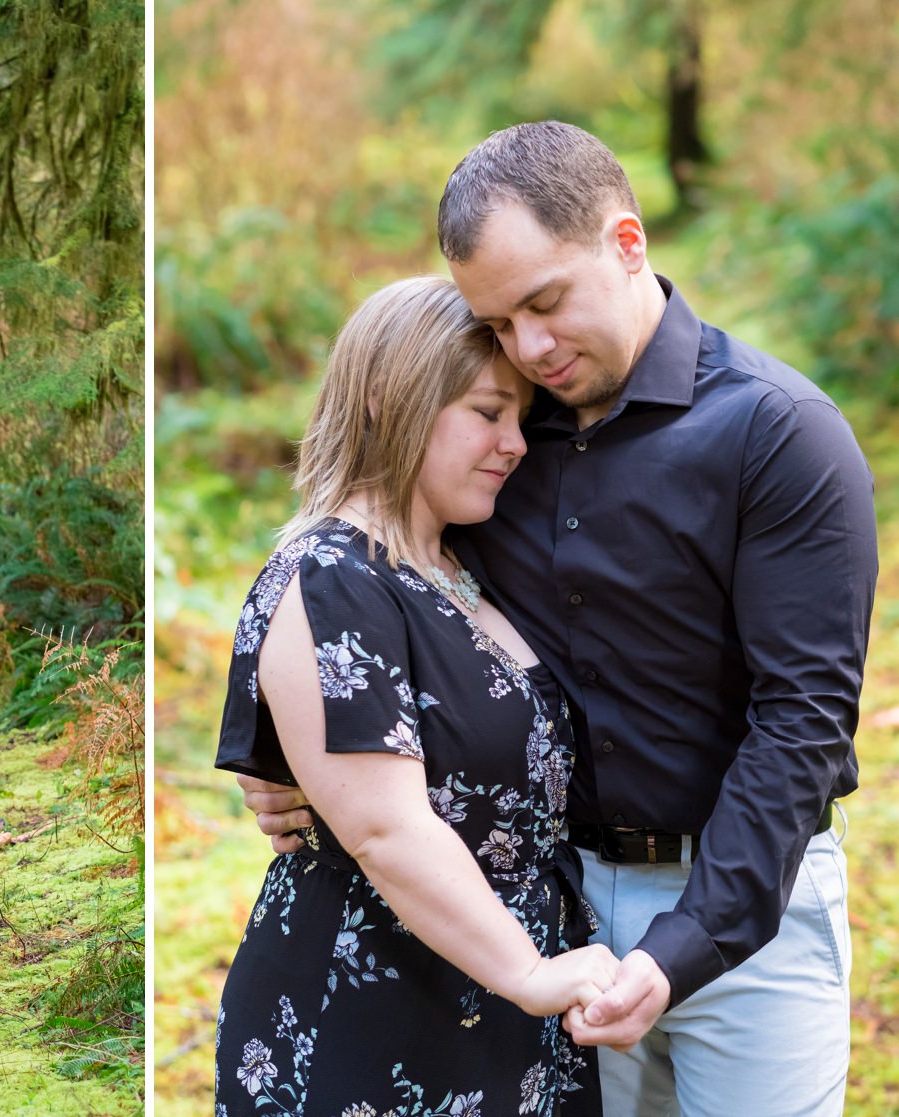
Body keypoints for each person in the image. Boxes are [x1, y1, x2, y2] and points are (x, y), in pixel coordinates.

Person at [240, 121, 878, 1117]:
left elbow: (801, 721)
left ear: (628, 244)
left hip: (751, 898)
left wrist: (685, 945)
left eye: (545, 302)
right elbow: (380, 607)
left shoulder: (776, 433)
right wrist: (282, 759)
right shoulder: (499, 432)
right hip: (548, 907)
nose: (530, 348)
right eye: (499, 324)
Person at [215, 275, 618, 1116]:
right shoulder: (332, 573)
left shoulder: (459, 566)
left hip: (504, 1008)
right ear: (385, 401)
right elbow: (382, 826)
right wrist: (532, 973)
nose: (515, 443)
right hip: (378, 1010)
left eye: (520, 418)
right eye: (486, 412)